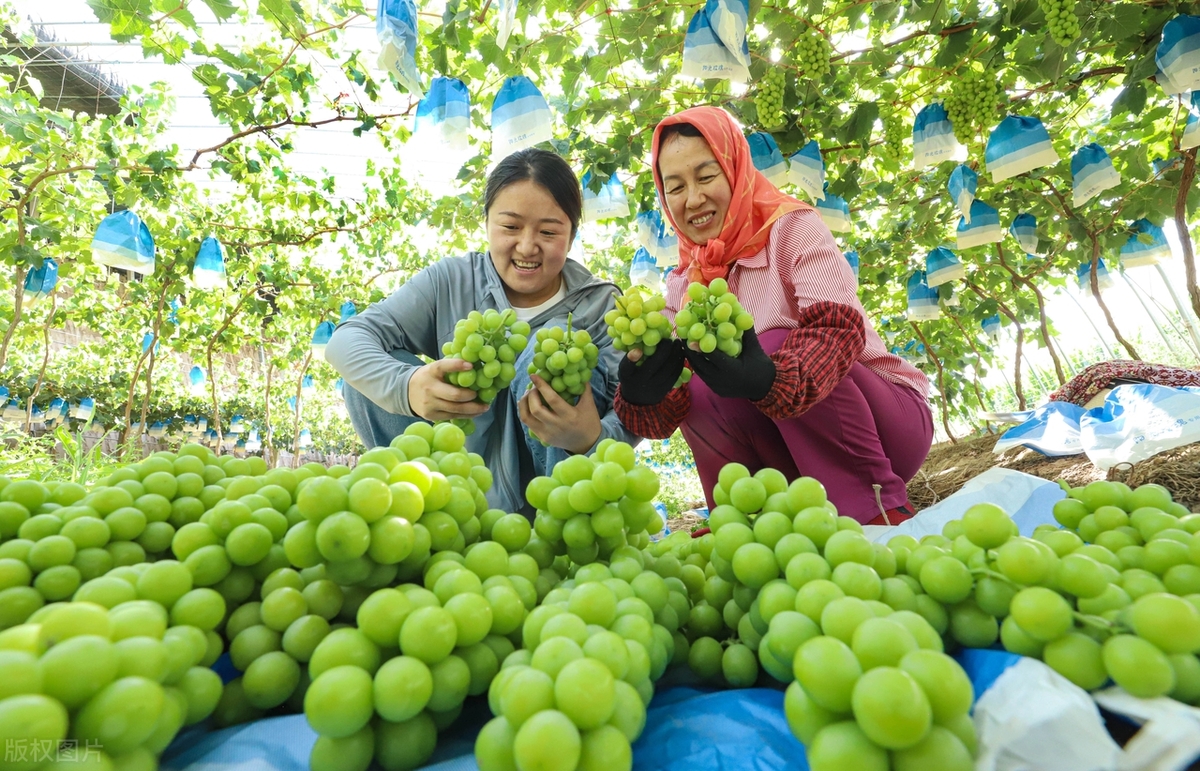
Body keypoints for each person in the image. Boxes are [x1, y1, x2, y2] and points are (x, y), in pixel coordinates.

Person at [614, 106, 932, 525]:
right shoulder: (681, 284)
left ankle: (873, 514)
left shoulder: (792, 228)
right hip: (793, 454)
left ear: (736, 168)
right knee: (698, 379)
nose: (693, 199)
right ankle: (748, 523)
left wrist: (770, 376)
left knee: (774, 341)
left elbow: (837, 331)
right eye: (675, 187)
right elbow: (675, 404)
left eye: (706, 176)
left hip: (887, 427)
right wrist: (642, 395)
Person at [326, 148, 640, 515]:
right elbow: (345, 341)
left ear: (571, 237)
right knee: (372, 373)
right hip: (456, 489)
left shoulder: (601, 305)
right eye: (510, 226)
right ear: (487, 224)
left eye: (549, 231)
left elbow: (632, 413)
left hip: (553, 497)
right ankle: (422, 514)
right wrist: (407, 388)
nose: (526, 246)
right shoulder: (451, 280)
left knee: (551, 345)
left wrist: (590, 438)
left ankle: (558, 531)